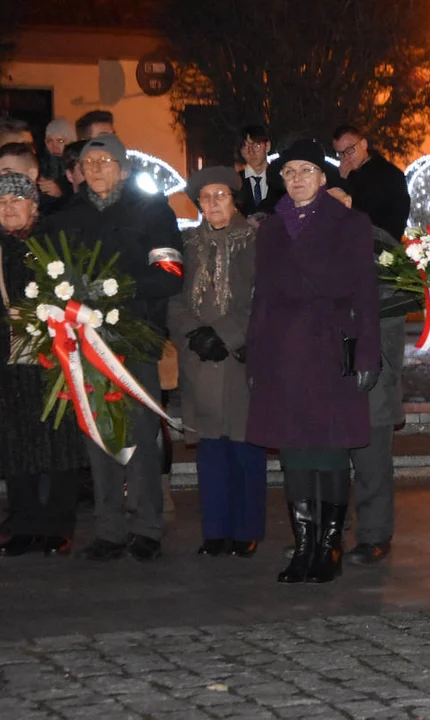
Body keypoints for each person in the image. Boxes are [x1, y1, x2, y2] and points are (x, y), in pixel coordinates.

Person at [245, 138, 380, 584]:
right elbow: (261, 297)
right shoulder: (270, 229)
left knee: (330, 449)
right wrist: (256, 357)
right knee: (295, 453)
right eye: (289, 172)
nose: (297, 178)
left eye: (306, 170)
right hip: (283, 351)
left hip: (329, 346)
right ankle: (303, 545)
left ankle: (330, 545)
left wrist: (367, 352)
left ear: (323, 178)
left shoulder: (350, 223)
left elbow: (366, 295)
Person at [47, 134, 184, 562]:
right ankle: (108, 529)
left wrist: (118, 291)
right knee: (97, 433)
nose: (96, 168)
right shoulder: (68, 216)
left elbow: (170, 272)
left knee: (141, 435)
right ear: (78, 172)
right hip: (84, 343)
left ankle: (146, 528)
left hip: (134, 336)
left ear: (123, 168)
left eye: (106, 161)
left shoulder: (152, 211)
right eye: (89, 162)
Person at [168, 166, 266, 558]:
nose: (213, 204)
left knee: (245, 449)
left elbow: (261, 298)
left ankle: (246, 529)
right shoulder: (188, 244)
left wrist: (224, 335)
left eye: (220, 195)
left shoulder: (256, 241)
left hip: (240, 360)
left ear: (234, 198)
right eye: (205, 198)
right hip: (201, 362)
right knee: (211, 452)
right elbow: (172, 297)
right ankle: (215, 530)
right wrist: (194, 334)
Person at [0, 174, 89, 557]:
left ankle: (58, 528)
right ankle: (25, 525)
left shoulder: (53, 245)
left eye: (18, 199)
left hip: (52, 359)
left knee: (58, 444)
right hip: (6, 362)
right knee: (16, 445)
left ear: (34, 205)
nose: (10, 207)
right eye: (1, 203)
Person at [331, 124, 411, 565]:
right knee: (335, 450)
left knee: (372, 450)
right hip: (334, 360)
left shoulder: (383, 247)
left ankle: (376, 532)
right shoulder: (322, 244)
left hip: (373, 358)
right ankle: (332, 530)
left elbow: (399, 298)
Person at [235, 126, 282, 217]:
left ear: (267, 146)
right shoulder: (235, 183)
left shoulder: (282, 179)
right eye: (245, 146)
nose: (251, 151)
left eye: (256, 145)